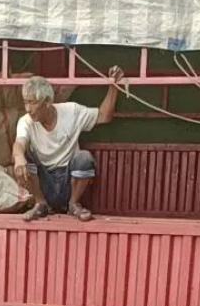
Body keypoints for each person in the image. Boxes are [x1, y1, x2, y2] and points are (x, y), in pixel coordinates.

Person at [12, 70, 125, 223]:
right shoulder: (26, 121)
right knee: (25, 155)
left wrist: (114, 85)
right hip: (44, 182)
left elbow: (104, 116)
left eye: (32, 103)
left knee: (84, 157)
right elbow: (19, 143)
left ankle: (73, 204)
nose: (28, 109)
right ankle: (40, 204)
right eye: (25, 102)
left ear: (47, 101)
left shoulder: (71, 111)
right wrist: (19, 158)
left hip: (68, 181)